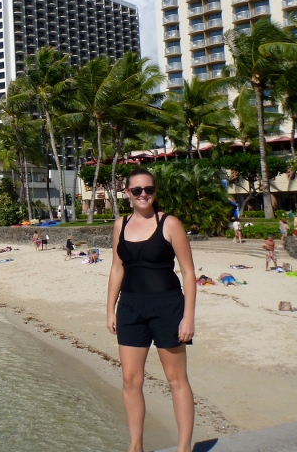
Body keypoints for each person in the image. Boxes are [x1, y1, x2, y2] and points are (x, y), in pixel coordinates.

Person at [106, 167, 196, 452]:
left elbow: (188, 272)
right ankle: (136, 446)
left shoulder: (170, 224)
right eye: (137, 190)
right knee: (131, 380)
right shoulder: (120, 224)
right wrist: (110, 310)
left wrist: (188, 317)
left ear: (155, 192)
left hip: (167, 306)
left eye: (149, 189)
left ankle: (183, 448)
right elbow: (116, 268)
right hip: (130, 307)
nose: (143, 194)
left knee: (176, 379)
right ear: (127, 193)